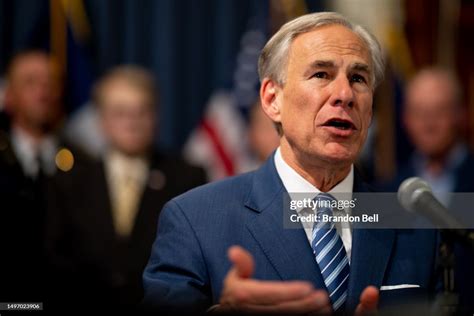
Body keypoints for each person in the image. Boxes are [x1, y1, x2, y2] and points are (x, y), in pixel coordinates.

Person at [143, 12, 438, 315]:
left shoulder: (416, 224)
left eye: (359, 79)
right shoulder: (195, 220)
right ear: (272, 99)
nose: (345, 94)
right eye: (321, 74)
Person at [45, 66, 207, 312]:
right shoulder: (68, 181)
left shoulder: (187, 177)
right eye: (120, 112)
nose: (132, 122)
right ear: (101, 119)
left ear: (156, 116)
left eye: (142, 111)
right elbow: (53, 261)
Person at [0, 50, 85, 302]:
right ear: (9, 96)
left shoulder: (85, 165)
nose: (43, 91)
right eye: (31, 82)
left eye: (51, 82)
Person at [390, 67, 474, 314]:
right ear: (405, 118)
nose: (428, 123)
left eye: (439, 111)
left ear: (460, 114)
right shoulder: (388, 189)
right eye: (419, 112)